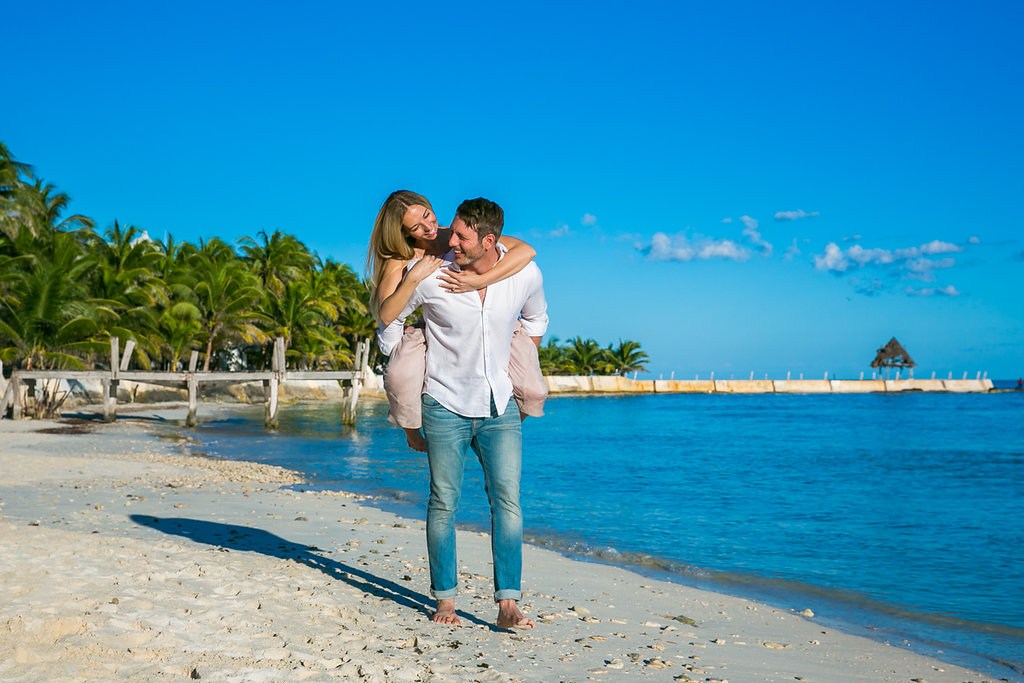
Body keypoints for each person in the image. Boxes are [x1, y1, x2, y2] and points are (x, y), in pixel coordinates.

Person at [378, 197, 546, 630]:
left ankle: (508, 603)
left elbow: (537, 320)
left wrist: (520, 370)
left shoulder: (522, 273)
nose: (447, 240)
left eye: (460, 235)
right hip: (443, 403)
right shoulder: (432, 273)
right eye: (444, 231)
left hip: (500, 405)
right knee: (443, 503)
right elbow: (388, 323)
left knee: (507, 503)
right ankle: (445, 601)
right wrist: (406, 372)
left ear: (488, 241)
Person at [366, 190, 546, 452]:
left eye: (428, 215)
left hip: (484, 323)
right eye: (416, 227)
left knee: (534, 391)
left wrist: (479, 281)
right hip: (435, 326)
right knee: (399, 376)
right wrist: (415, 276)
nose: (429, 227)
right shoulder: (400, 259)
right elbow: (386, 314)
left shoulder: (455, 233)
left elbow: (526, 251)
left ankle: (494, 432)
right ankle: (412, 434)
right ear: (403, 232)